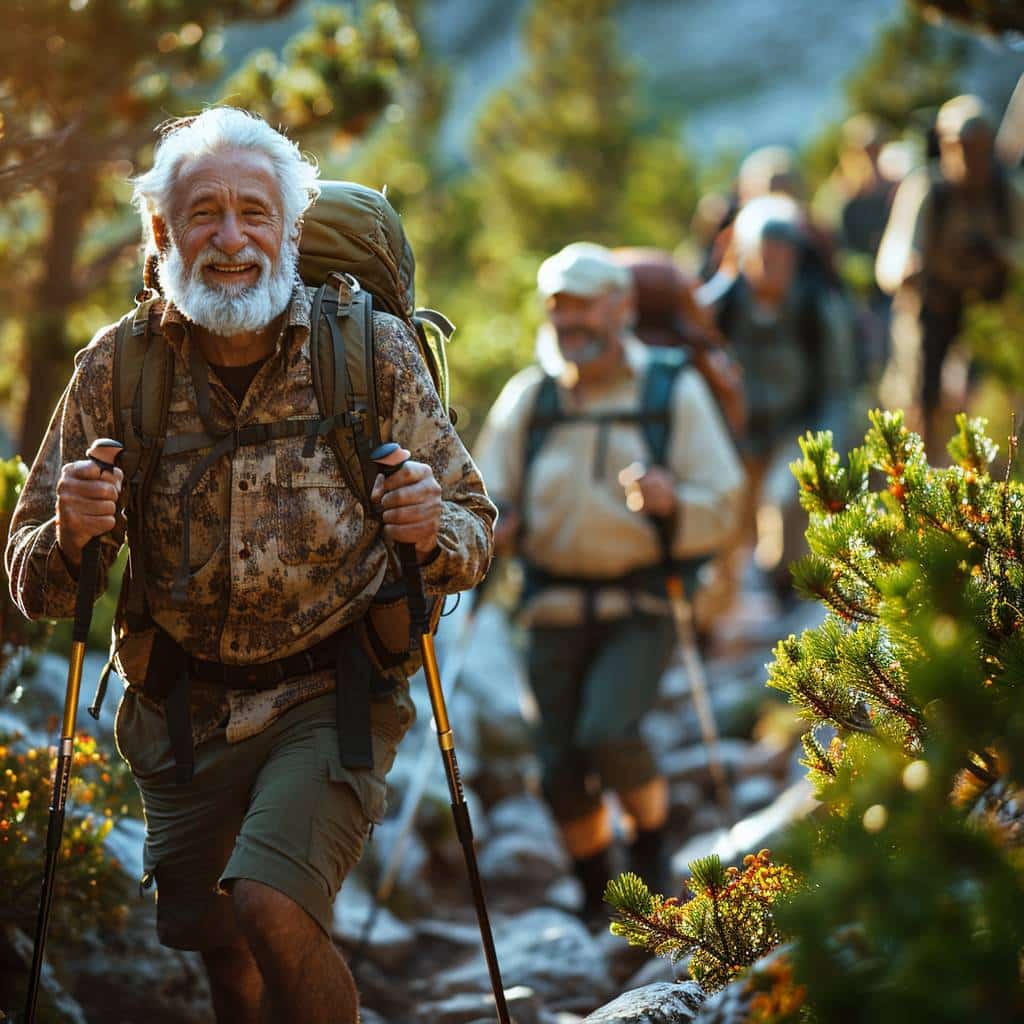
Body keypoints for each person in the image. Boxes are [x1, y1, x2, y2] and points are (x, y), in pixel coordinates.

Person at [5, 108, 495, 1024]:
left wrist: (432, 528)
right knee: (226, 950)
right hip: (181, 713)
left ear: (291, 230)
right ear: (162, 233)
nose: (232, 240)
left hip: (332, 696)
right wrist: (71, 537)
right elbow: (33, 582)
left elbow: (476, 527)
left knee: (272, 908)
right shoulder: (117, 369)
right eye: (204, 214)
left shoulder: (368, 351)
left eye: (255, 213)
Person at [474, 242, 744, 920]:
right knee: (558, 768)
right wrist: (494, 527)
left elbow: (726, 498)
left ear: (621, 307)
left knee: (610, 732)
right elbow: (483, 493)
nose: (569, 322)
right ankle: (598, 895)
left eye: (583, 305)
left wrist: (673, 501)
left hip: (641, 602)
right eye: (557, 307)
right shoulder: (528, 398)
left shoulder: (670, 390)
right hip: (550, 604)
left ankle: (649, 856)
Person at [699, 194, 856, 607]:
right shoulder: (722, 305)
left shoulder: (816, 308)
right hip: (736, 430)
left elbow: (838, 385)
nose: (774, 267)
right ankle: (719, 612)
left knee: (787, 502)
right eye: (764, 256)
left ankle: (784, 589)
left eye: (784, 257)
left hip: (795, 423)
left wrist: (827, 449)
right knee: (728, 519)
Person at [876, 94, 1024, 452]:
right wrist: (908, 268)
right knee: (921, 398)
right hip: (934, 310)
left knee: (995, 403)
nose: (969, 158)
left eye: (977, 148)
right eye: (961, 147)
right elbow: (891, 261)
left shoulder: (1006, 192)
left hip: (989, 313)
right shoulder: (927, 190)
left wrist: (998, 251)